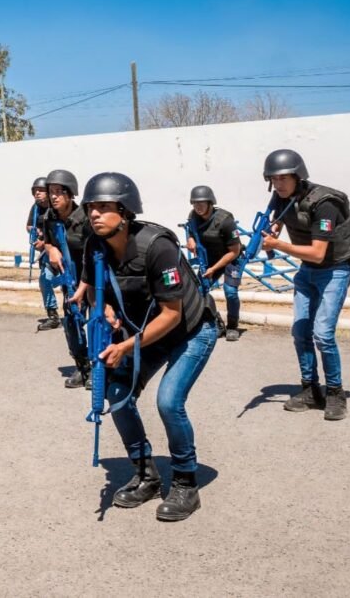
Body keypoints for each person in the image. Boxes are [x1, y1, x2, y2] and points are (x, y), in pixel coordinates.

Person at [76, 172, 218, 522]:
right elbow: (95, 290)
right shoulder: (94, 245)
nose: (94, 214)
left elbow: (172, 314)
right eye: (91, 207)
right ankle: (145, 474)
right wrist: (104, 310)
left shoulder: (158, 247)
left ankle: (186, 482)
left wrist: (125, 346)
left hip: (190, 330)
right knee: (117, 391)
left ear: (125, 212)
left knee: (169, 401)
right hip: (143, 331)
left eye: (104, 207)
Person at [259, 149, 350, 421]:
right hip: (308, 270)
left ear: (297, 176)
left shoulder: (324, 204)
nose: (278, 184)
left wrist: (277, 244)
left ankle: (335, 393)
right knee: (300, 331)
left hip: (334, 269)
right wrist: (274, 229)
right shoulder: (281, 196)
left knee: (323, 334)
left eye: (284, 178)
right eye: (274, 179)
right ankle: (309, 390)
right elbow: (278, 216)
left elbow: (318, 252)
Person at [41, 169, 92, 388]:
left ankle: (105, 369)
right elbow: (48, 240)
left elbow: (97, 254)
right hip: (69, 279)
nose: (53, 196)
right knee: (72, 322)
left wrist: (85, 285)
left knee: (102, 323)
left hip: (93, 278)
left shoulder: (86, 218)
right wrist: (50, 248)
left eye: (59, 192)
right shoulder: (49, 217)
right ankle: (83, 368)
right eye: (50, 192)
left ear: (71, 194)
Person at [183, 186, 243, 341]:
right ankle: (216, 322)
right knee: (199, 289)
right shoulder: (194, 216)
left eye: (202, 203)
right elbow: (190, 229)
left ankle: (232, 326)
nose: (198, 207)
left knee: (230, 291)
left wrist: (214, 269)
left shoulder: (225, 221)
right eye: (195, 203)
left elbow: (234, 251)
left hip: (231, 258)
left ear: (210, 203)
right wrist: (190, 240)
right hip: (210, 258)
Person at [28, 176, 59, 331]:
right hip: (45, 252)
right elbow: (28, 226)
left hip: (62, 251)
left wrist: (45, 240)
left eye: (40, 190)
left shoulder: (57, 207)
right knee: (45, 279)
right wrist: (35, 232)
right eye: (35, 191)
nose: (37, 194)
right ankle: (53, 315)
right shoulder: (35, 208)